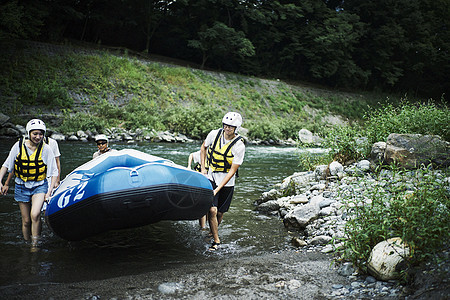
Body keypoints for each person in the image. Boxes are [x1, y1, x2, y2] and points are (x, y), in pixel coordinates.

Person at [0, 119, 58, 248]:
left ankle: (34, 245)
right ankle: (26, 242)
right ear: (29, 133)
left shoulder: (46, 149)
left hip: (39, 186)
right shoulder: (18, 146)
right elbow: (6, 165)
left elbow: (54, 171)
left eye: (41, 134)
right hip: (21, 186)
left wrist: (49, 192)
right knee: (26, 221)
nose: (38, 137)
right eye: (35, 134)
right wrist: (1, 181)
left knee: (35, 214)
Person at [200, 112, 245, 251]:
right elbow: (203, 148)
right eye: (225, 125)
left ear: (236, 128)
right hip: (212, 176)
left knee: (220, 213)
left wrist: (217, 189)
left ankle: (211, 232)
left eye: (231, 126)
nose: (227, 128)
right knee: (212, 210)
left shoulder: (239, 146)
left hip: (227, 182)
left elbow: (232, 171)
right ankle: (216, 241)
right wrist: (203, 170)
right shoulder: (214, 134)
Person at [3, 135, 61, 211]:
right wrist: (6, 183)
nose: (38, 137)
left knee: (41, 210)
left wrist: (57, 181)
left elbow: (57, 163)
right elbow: (17, 166)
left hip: (45, 180)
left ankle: (42, 220)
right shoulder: (23, 145)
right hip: (25, 183)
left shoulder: (51, 143)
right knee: (29, 214)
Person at [187, 150, 207, 230]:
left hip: (208, 182)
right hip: (199, 181)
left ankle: (204, 226)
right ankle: (203, 227)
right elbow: (191, 154)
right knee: (202, 204)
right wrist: (189, 166)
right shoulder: (203, 153)